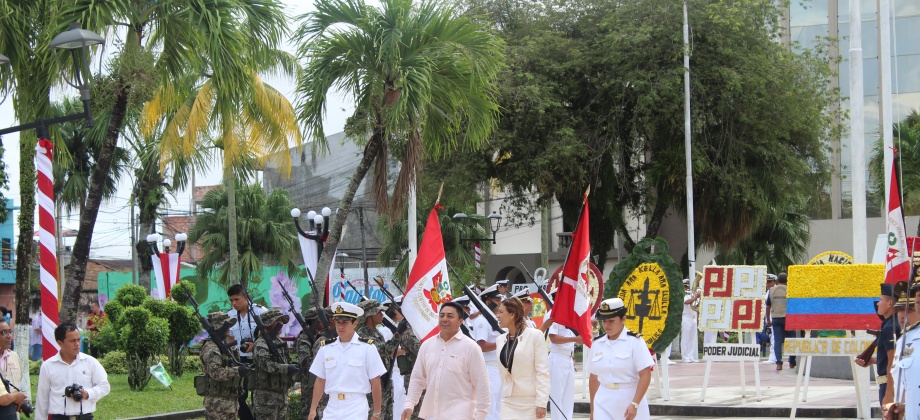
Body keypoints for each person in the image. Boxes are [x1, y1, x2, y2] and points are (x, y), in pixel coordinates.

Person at [403, 301, 491, 420]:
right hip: (432, 414)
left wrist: (480, 415)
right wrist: (409, 404)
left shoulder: (471, 347)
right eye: (442, 315)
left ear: (460, 321)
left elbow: (481, 383)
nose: (444, 319)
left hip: (461, 414)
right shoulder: (427, 346)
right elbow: (418, 378)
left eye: (450, 316)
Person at [309, 301, 386, 419]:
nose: (340, 327)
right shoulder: (326, 348)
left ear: (355, 323)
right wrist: (313, 409)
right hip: (332, 405)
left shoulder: (367, 348)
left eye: (345, 322)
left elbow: (376, 382)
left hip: (356, 405)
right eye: (337, 322)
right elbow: (320, 380)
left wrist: (377, 412)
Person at [588, 298, 654, 420]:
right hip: (603, 400)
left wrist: (635, 404)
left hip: (629, 398)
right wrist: (593, 410)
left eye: (611, 321)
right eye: (604, 321)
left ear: (623, 319)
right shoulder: (597, 344)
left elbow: (645, 375)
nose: (607, 325)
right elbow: (593, 378)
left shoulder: (635, 342)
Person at [35, 323, 110, 420]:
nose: (77, 344)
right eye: (72, 341)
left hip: (84, 417)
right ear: (60, 343)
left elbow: (105, 386)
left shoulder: (90, 362)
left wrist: (88, 393)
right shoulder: (48, 366)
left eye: (79, 340)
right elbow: (42, 399)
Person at [494, 297, 549, 419]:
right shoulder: (500, 340)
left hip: (530, 402)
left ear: (512, 314)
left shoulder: (534, 336)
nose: (498, 316)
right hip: (508, 400)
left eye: (501, 312)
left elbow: (543, 372)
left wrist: (541, 402)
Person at [226, 284, 266, 420]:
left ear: (245, 297)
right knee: (238, 395)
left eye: (237, 299)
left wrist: (255, 345)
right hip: (239, 360)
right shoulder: (230, 315)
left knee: (258, 395)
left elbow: (269, 335)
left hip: (258, 359)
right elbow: (230, 338)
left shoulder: (260, 312)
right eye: (231, 300)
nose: (234, 303)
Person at [198, 311, 248, 420]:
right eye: (226, 325)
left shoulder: (225, 345)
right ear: (217, 328)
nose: (229, 327)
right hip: (218, 405)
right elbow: (216, 373)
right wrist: (238, 370)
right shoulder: (211, 348)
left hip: (231, 402)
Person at [251, 308, 299, 420]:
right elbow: (266, 365)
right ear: (268, 324)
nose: (281, 325)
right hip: (266, 397)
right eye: (277, 322)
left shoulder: (279, 342)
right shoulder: (261, 343)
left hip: (281, 395)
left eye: (282, 322)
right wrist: (287, 368)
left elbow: (286, 360)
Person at [854, 284, 896, 407]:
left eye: (881, 300)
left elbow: (893, 362)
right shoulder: (888, 325)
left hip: (889, 385)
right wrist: (873, 360)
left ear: (889, 304)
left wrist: (889, 394)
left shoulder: (890, 328)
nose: (878, 303)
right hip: (887, 384)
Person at [886, 281, 919, 420]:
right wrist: (900, 406)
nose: (902, 315)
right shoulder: (907, 339)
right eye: (918, 298)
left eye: (908, 309)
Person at [358, 299, 394, 420]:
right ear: (370, 315)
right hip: (373, 386)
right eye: (378, 312)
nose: (382, 315)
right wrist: (398, 333)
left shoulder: (377, 332)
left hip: (385, 382)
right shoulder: (363, 334)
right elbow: (383, 351)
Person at [473, 284, 504, 420]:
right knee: (489, 408)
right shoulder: (482, 321)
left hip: (499, 367)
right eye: (497, 301)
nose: (500, 304)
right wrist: (503, 341)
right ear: (488, 302)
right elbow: (481, 345)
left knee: (499, 407)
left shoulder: (497, 321)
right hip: (489, 367)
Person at [546, 306, 581, 420]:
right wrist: (575, 339)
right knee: (557, 395)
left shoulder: (568, 313)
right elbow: (554, 338)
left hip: (568, 357)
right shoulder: (554, 313)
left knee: (568, 396)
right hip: (558, 357)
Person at [766, 272, 796, 370]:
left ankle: (779, 363)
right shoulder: (790, 290)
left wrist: (768, 319)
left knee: (777, 341)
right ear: (787, 280)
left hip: (776, 318)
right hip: (789, 319)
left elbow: (768, 306)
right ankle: (792, 362)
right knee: (791, 340)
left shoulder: (771, 290)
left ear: (777, 280)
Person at [0, 320, 29, 419]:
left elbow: (16, 385)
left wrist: (18, 401)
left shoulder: (14, 356)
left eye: (9, 332)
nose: (9, 336)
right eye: (3, 333)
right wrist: (14, 397)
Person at [681, 279, 699, 363]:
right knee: (685, 338)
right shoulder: (682, 294)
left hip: (693, 318)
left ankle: (690, 356)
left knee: (692, 339)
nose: (686, 288)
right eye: (685, 286)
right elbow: (687, 302)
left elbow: (696, 305)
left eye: (687, 286)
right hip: (686, 318)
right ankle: (685, 357)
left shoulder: (692, 294)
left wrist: (698, 299)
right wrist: (695, 297)